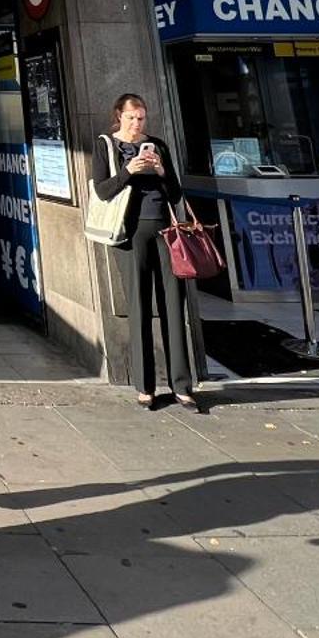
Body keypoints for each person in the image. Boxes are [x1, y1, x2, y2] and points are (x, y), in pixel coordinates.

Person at [91, 93, 199, 411]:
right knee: (138, 306)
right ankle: (145, 386)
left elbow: (176, 193)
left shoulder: (158, 146)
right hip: (128, 232)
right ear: (118, 117)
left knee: (172, 307)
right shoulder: (106, 146)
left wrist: (162, 171)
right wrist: (129, 171)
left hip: (165, 231)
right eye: (130, 118)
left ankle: (182, 385)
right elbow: (101, 190)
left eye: (141, 118)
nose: (136, 124)